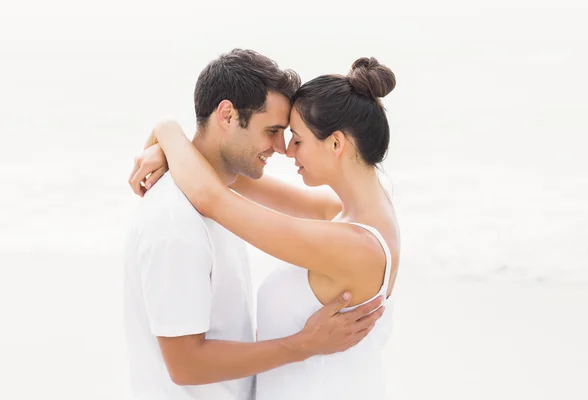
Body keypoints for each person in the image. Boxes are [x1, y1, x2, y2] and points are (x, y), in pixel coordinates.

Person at [130, 56, 399, 399]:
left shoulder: (355, 246)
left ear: (336, 144)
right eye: (276, 132)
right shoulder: (363, 211)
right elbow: (230, 174)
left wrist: (166, 130)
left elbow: (212, 197)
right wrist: (173, 150)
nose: (285, 149)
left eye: (296, 139)